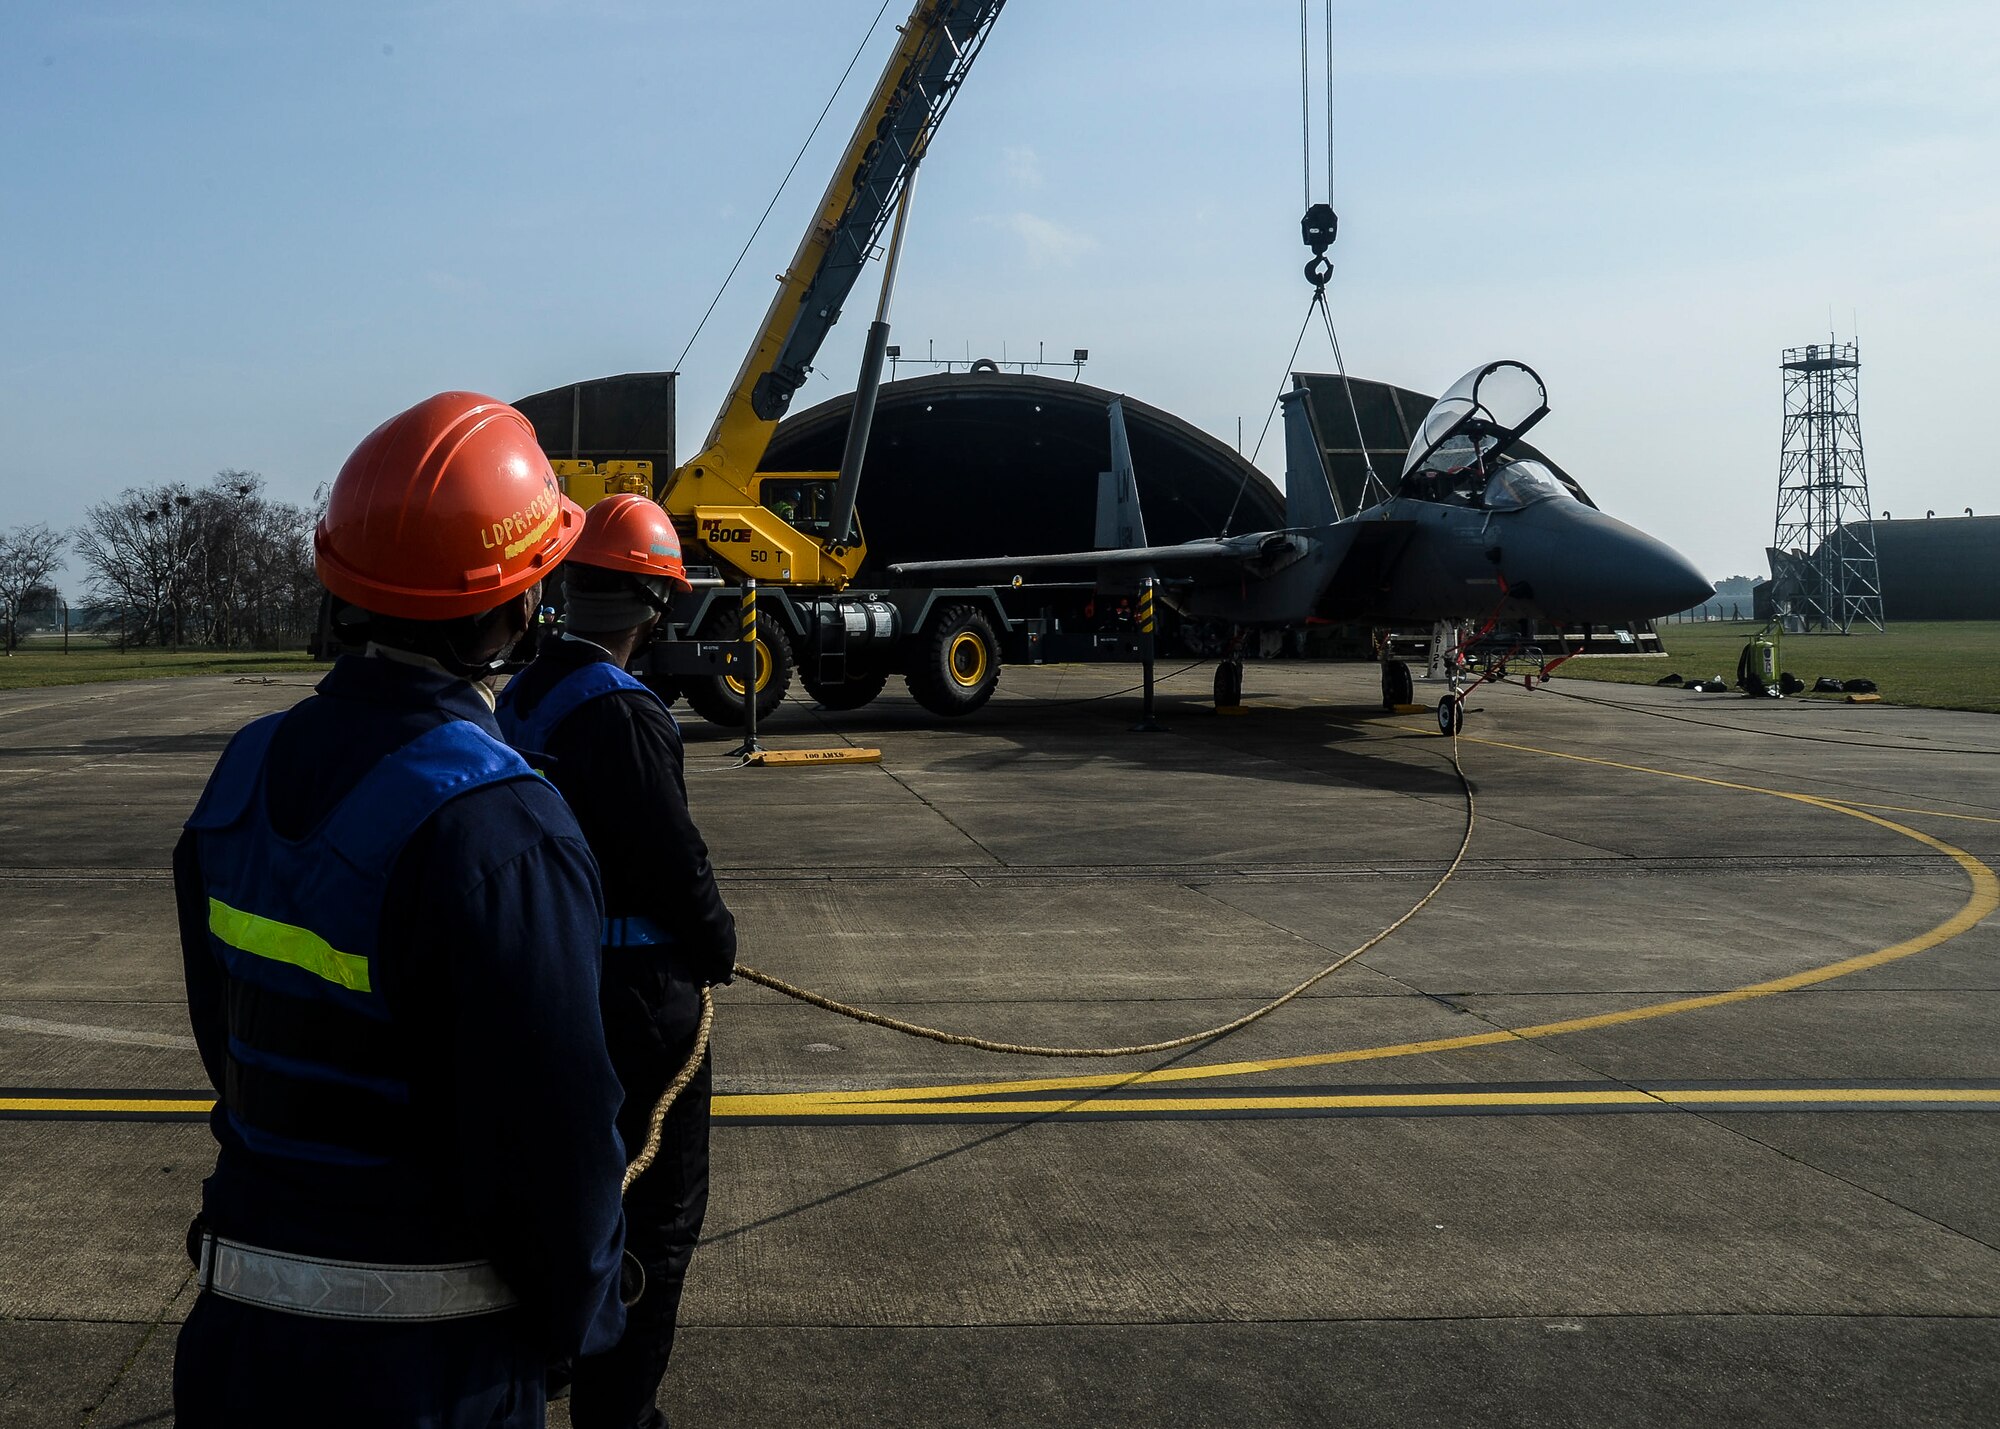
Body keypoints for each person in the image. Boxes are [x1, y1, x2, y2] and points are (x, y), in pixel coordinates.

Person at [172, 392, 631, 1427]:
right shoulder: (504, 827)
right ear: (522, 603)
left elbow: (230, 1039)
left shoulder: (241, 776)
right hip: (424, 1370)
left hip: (239, 1346)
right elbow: (556, 1144)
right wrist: (574, 1322)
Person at [496, 493, 736, 1429]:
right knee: (658, 1221)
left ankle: (558, 1346)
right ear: (656, 604)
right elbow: (676, 862)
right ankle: (619, 1413)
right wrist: (718, 943)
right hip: (639, 1006)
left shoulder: (522, 695)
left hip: (548, 991)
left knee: (570, 1194)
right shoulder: (623, 713)